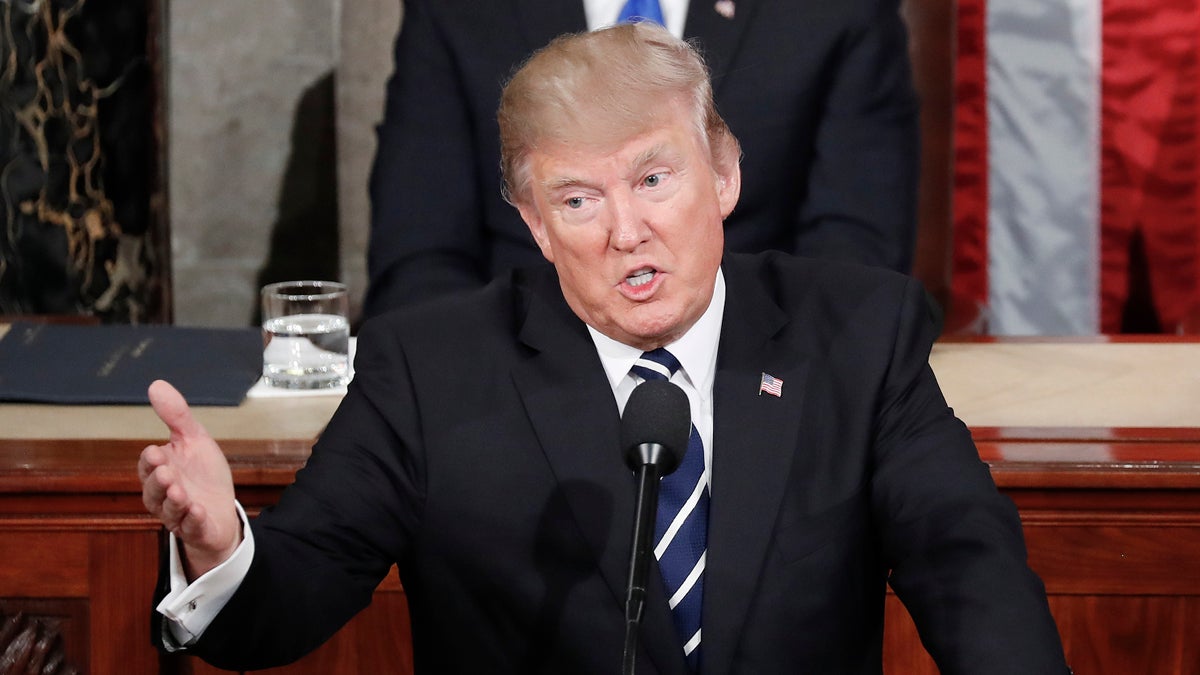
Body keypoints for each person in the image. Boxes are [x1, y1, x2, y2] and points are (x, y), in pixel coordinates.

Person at [140, 23, 1068, 673]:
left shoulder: (858, 335)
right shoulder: (430, 369)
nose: (627, 230)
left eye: (655, 177)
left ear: (726, 172)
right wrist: (221, 546)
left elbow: (965, 561)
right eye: (579, 199)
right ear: (536, 225)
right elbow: (293, 592)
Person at [363, 0, 920, 317]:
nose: (626, 233)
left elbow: (855, 249)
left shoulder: (838, 11)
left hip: (756, 371)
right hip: (523, 376)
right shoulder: (456, 12)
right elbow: (419, 260)